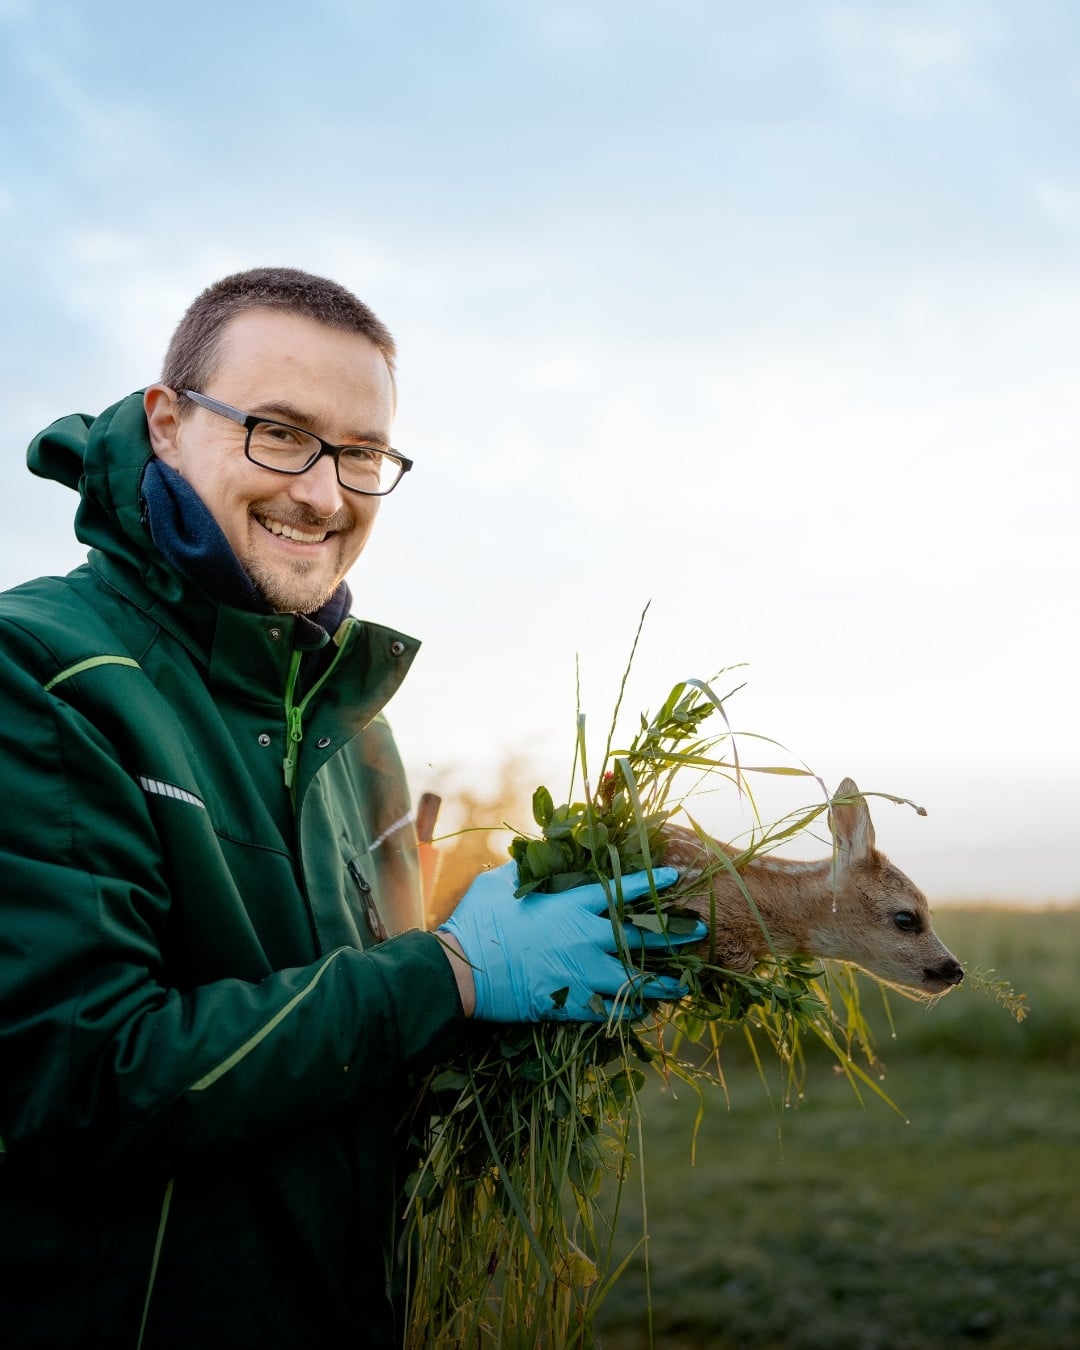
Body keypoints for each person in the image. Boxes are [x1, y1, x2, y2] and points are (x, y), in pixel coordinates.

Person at [0, 268, 695, 1348]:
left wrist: (510, 1014)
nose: (324, 494)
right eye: (278, 432)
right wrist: (453, 973)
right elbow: (75, 1084)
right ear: (168, 421)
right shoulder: (42, 671)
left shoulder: (354, 727)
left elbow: (364, 1047)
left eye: (362, 453)